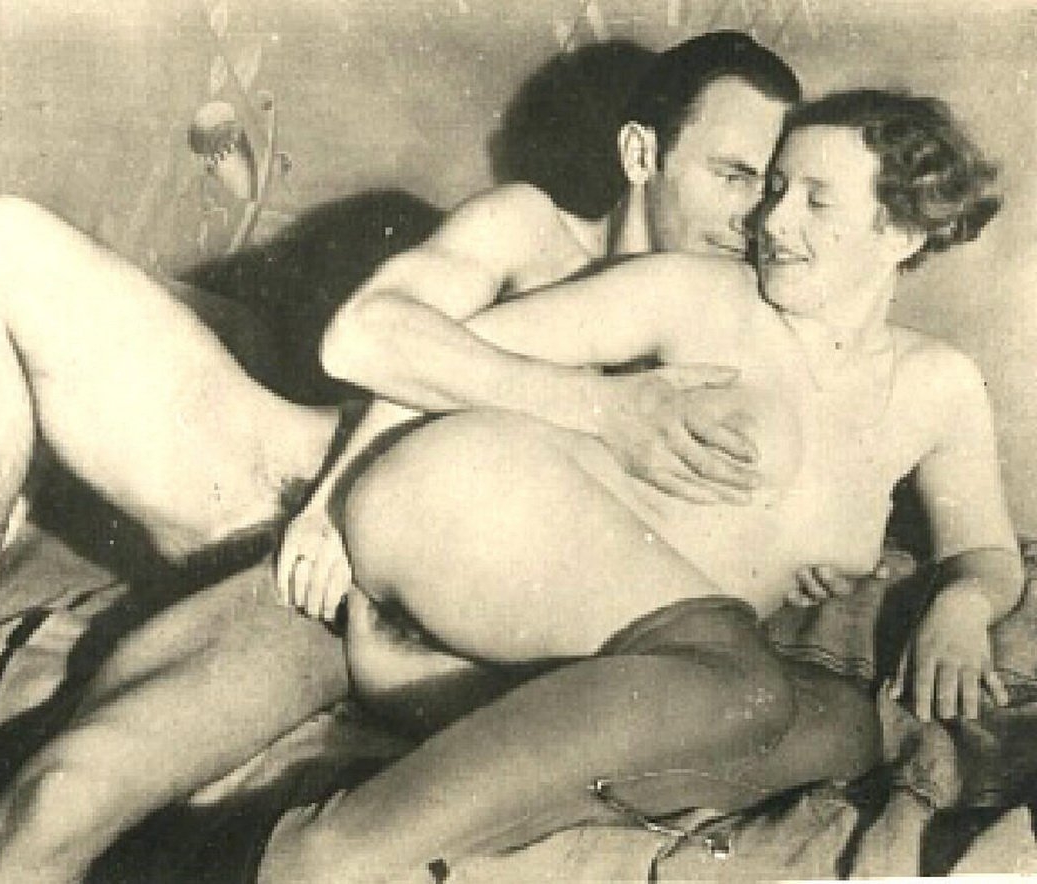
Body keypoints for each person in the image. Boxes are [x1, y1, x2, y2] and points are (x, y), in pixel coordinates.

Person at [0, 31, 882, 882]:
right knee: (49, 799)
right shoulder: (536, 234)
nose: (758, 217)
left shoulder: (744, 321)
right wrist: (602, 409)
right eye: (735, 176)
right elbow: (367, 338)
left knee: (71, 798)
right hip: (308, 548)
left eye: (777, 188)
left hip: (417, 626)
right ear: (644, 155)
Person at [256, 88, 1023, 884]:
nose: (772, 221)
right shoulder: (696, 291)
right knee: (747, 692)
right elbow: (418, 354)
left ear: (900, 231)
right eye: (774, 189)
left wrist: (964, 604)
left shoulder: (939, 385)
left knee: (848, 731)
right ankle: (325, 857)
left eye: (816, 200)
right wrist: (331, 506)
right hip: (461, 498)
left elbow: (987, 550)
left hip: (600, 647)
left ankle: (454, 719)